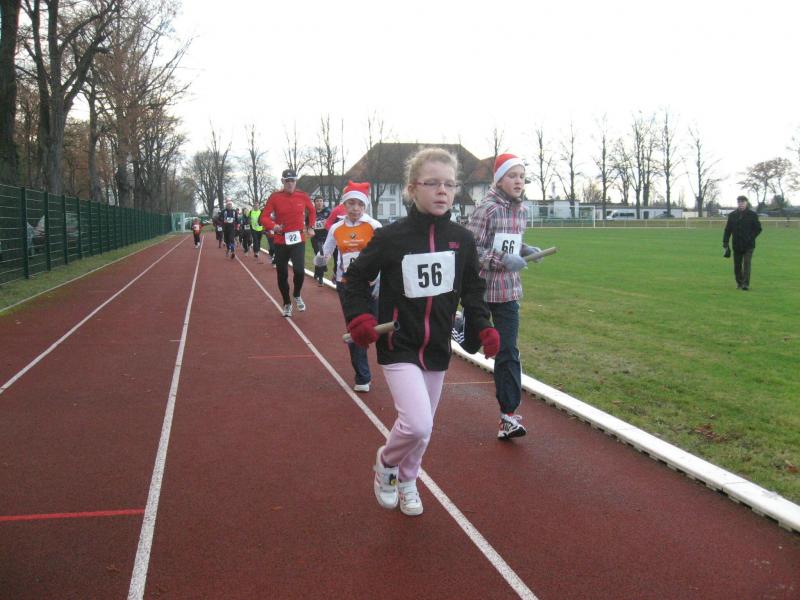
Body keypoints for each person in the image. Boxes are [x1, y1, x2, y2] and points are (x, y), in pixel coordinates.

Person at [343, 148, 499, 517]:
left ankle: (409, 478)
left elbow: (473, 289)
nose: (442, 190)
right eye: (433, 183)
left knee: (424, 430)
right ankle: (386, 464)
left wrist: (483, 326)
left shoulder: (462, 239)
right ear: (413, 188)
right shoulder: (391, 237)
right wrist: (359, 317)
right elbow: (356, 280)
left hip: (437, 345)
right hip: (398, 343)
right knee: (416, 423)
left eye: (449, 184)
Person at [467, 153, 542, 440]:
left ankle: (507, 416)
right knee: (472, 345)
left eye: (522, 176)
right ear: (499, 180)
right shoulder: (486, 210)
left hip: (508, 292)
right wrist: (502, 260)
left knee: (508, 350)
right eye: (512, 176)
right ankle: (461, 326)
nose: (518, 181)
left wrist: (525, 250)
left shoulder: (522, 211)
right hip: (482, 291)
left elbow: (512, 244)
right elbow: (472, 250)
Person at [314, 182, 381, 392]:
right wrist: (320, 260)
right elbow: (326, 252)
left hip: (372, 285)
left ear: (365, 206)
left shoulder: (374, 226)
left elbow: (385, 255)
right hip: (348, 286)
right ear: (344, 205)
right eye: (351, 203)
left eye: (359, 204)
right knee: (356, 329)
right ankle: (362, 377)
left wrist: (380, 280)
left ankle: (394, 367)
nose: (355, 208)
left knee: (379, 326)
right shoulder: (336, 228)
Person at [260, 169, 316, 316]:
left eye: (293, 180)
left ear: (296, 181)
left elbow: (312, 210)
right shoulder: (275, 197)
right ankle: (286, 302)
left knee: (299, 271)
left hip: (298, 239)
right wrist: (273, 226)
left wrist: (311, 226)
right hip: (281, 240)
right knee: (282, 274)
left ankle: (296, 294)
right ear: (282, 181)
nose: (290, 183)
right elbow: (264, 217)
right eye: (287, 181)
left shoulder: (302, 196)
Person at [723, 195, 762, 291]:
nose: (741, 204)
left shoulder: (752, 215)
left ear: (746, 203)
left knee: (746, 264)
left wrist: (750, 237)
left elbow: (758, 229)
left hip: (749, 245)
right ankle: (739, 283)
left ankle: (745, 284)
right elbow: (727, 230)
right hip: (736, 244)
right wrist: (725, 242)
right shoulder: (732, 215)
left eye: (743, 202)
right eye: (739, 202)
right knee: (737, 265)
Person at [310, 195, 331, 285]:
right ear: (314, 203)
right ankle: (321, 273)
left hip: (325, 237)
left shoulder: (328, 211)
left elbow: (333, 221)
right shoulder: (312, 212)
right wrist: (310, 228)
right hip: (315, 237)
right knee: (319, 254)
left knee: (321, 255)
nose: (319, 203)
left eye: (321, 201)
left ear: (323, 202)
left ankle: (319, 275)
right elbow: (307, 223)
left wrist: (327, 223)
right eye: (317, 201)